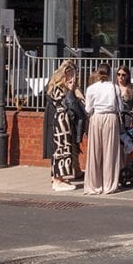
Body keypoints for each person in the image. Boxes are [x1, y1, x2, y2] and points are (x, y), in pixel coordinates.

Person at [44, 61, 86, 191]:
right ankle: (57, 180)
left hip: (63, 121)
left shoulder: (60, 88)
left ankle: (61, 178)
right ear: (64, 75)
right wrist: (72, 91)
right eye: (71, 75)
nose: (73, 79)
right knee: (60, 149)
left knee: (63, 149)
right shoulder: (58, 89)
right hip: (61, 122)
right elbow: (66, 103)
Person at [84, 62, 123, 194]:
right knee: (110, 152)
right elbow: (120, 108)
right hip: (111, 118)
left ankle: (94, 186)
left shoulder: (91, 88)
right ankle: (109, 185)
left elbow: (88, 109)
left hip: (96, 117)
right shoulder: (115, 87)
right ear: (110, 73)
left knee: (95, 152)